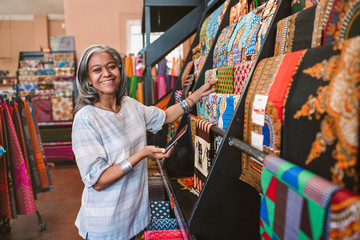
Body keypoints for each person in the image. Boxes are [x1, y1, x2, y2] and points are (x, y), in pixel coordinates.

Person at [72, 44, 217, 240]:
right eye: (97, 70)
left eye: (111, 66)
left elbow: (165, 116)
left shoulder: (130, 105)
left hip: (135, 216)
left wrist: (197, 95)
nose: (106, 73)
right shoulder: (86, 118)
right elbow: (97, 181)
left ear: (120, 70)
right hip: (106, 224)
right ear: (87, 79)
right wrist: (141, 154)